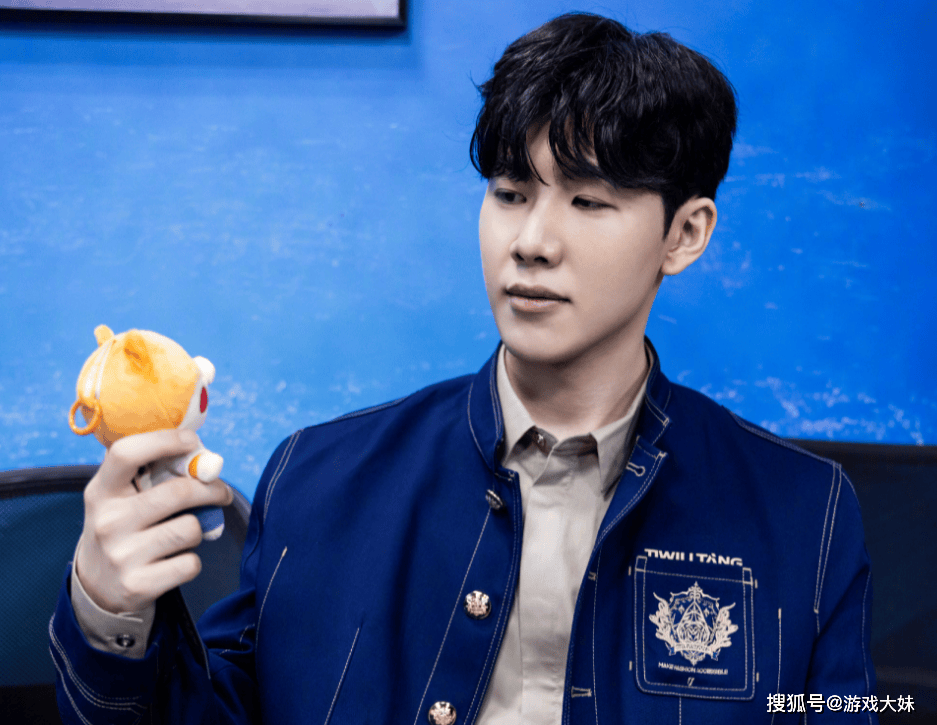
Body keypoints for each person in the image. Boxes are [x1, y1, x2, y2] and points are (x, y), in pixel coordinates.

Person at [51, 12, 877, 724]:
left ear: (684, 234)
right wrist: (108, 610)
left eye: (588, 201)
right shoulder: (318, 476)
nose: (531, 241)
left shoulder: (805, 513)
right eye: (510, 192)